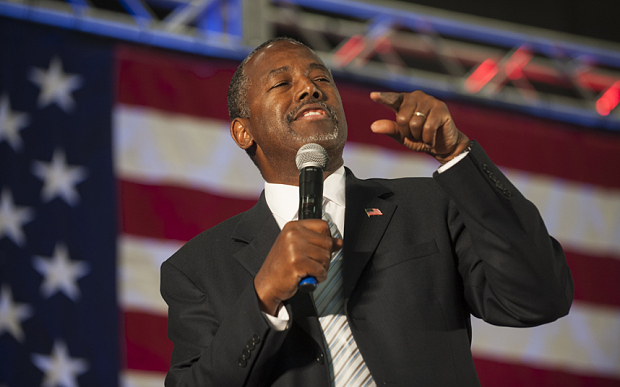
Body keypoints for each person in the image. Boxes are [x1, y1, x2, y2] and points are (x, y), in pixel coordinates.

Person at [160, 37, 573, 387]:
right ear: (243, 131)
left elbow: (540, 298)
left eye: (321, 78)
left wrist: (457, 155)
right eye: (283, 83)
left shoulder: (428, 205)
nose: (309, 88)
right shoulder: (197, 269)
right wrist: (264, 296)